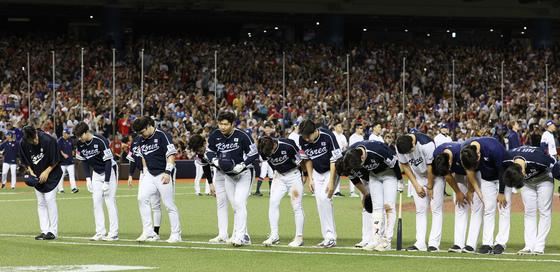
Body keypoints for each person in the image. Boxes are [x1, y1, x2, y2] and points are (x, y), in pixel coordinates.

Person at [206, 111, 258, 247]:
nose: (223, 127)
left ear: (232, 124)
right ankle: (239, 235)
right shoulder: (215, 135)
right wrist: (215, 161)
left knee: (240, 203)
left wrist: (243, 165)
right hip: (228, 175)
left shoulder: (242, 136)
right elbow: (208, 152)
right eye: (220, 124)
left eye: (226, 124)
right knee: (235, 205)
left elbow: (254, 154)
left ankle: (241, 236)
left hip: (243, 174)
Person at [342, 140, 402, 251]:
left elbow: (394, 164)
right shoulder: (352, 153)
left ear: (362, 157)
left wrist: (400, 180)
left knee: (389, 207)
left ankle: (386, 241)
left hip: (389, 174)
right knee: (377, 208)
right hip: (374, 176)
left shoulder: (377, 150)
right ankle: (375, 240)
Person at [132, 116, 182, 243]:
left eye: (142, 132)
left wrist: (168, 172)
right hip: (149, 174)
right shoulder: (140, 139)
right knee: (141, 198)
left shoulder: (162, 135)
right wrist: (145, 171)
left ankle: (176, 234)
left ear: (149, 126)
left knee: (169, 204)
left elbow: (171, 154)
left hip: (163, 172)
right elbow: (143, 156)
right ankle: (148, 232)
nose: (141, 135)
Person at [460, 137, 510, 254]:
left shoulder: (493, 149)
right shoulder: (466, 150)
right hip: (487, 179)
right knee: (488, 209)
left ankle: (500, 243)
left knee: (503, 208)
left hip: (503, 176)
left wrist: (501, 192)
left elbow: (502, 170)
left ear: (478, 154)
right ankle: (487, 243)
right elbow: (470, 170)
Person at [503, 146, 557, 255]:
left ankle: (539, 246)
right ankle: (529, 246)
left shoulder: (539, 159)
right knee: (529, 212)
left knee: (544, 212)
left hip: (544, 178)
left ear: (523, 172)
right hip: (528, 183)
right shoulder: (506, 158)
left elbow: (555, 164)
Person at [299, 119, 342, 248]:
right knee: (320, 202)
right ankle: (328, 237)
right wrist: (311, 178)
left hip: (332, 169)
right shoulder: (303, 140)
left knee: (325, 199)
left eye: (308, 136)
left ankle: (331, 237)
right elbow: (307, 160)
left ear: (315, 131)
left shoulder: (328, 136)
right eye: (304, 137)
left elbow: (334, 159)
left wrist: (331, 182)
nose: (306, 140)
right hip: (317, 172)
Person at [74, 122, 119, 241]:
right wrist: (88, 178)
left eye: (80, 136)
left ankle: (113, 233)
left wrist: (107, 182)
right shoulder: (80, 144)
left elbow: (108, 161)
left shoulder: (100, 140)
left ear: (86, 132)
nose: (79, 138)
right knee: (96, 202)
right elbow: (83, 161)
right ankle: (100, 232)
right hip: (96, 173)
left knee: (110, 202)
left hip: (110, 171)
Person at [257, 136, 305, 247]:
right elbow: (268, 161)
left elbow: (301, 160)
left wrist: (305, 175)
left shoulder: (288, 145)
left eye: (271, 152)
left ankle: (299, 237)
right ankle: (274, 235)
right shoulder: (264, 149)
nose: (269, 155)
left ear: (274, 145)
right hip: (279, 177)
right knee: (273, 203)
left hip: (294, 175)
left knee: (296, 206)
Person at [395, 132, 437, 252]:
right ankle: (420, 243)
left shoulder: (426, 144)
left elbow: (431, 166)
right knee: (420, 210)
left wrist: (429, 186)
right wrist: (416, 185)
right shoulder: (400, 146)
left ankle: (434, 243)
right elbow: (405, 165)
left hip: (435, 175)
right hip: (418, 177)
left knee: (435, 209)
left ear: (413, 143)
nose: (409, 155)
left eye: (410, 151)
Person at [19, 126, 62, 240]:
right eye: (31, 141)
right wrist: (30, 171)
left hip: (52, 175)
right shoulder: (24, 142)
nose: (34, 142)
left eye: (34, 139)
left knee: (49, 200)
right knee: (41, 203)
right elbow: (25, 160)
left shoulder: (49, 140)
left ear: (36, 133)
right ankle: (45, 230)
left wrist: (47, 172)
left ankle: (53, 232)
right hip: (37, 176)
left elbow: (57, 159)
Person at [431, 142, 469, 253]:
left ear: (450, 162)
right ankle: (459, 244)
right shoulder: (438, 153)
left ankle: (472, 242)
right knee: (460, 205)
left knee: (473, 206)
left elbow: (471, 171)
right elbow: (447, 175)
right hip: (459, 172)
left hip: (470, 171)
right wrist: (458, 192)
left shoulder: (462, 153)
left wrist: (471, 191)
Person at [127, 132, 162, 237]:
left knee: (156, 204)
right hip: (143, 174)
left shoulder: (153, 139)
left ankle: (156, 232)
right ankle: (147, 230)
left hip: (156, 172)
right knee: (142, 200)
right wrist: (130, 174)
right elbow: (133, 159)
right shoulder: (135, 141)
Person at [254, 121, 276, 196]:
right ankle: (257, 191)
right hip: (264, 158)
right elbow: (258, 146)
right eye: (266, 128)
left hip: (271, 158)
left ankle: (271, 191)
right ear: (264, 129)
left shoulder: (273, 136)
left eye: (269, 128)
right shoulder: (262, 136)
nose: (267, 129)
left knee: (271, 175)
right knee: (262, 174)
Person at [57, 128, 78, 193]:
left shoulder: (70, 140)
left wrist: (73, 152)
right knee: (61, 176)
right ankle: (60, 189)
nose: (68, 135)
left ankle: (74, 188)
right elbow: (58, 149)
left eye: (69, 133)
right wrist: (63, 154)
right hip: (62, 162)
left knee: (72, 176)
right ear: (64, 133)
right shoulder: (60, 140)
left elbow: (73, 148)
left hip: (70, 161)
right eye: (67, 133)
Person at [348, 123, 365, 198]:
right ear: (356, 129)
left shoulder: (362, 137)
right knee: (353, 174)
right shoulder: (352, 137)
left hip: (361, 158)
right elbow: (352, 149)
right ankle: (352, 192)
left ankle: (362, 190)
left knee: (361, 174)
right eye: (360, 128)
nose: (362, 130)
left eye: (362, 128)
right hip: (353, 158)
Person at [332, 121, 348, 197]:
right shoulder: (332, 135)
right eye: (339, 126)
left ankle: (336, 191)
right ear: (334, 127)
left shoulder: (343, 136)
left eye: (341, 126)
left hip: (340, 157)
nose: (340, 128)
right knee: (332, 174)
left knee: (338, 174)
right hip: (332, 157)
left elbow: (345, 147)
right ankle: (333, 190)